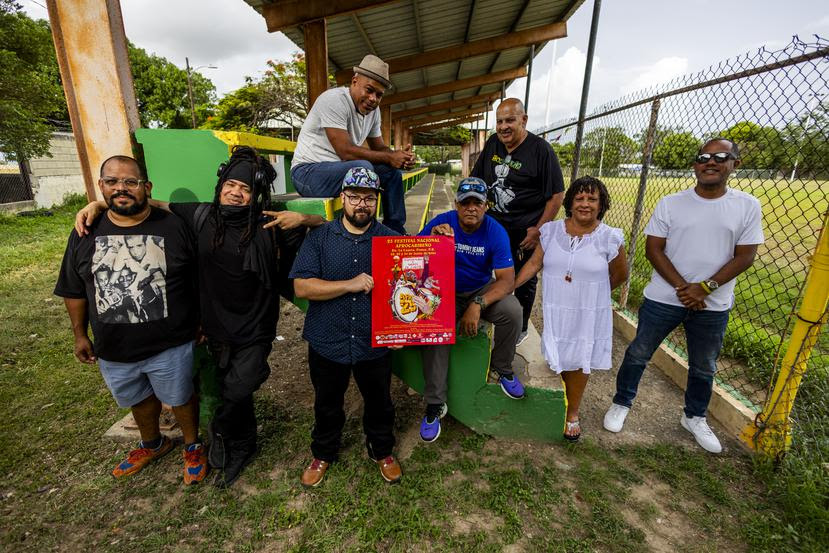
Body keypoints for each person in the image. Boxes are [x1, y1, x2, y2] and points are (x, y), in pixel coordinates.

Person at [75, 146, 324, 488]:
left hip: (256, 326)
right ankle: (243, 443)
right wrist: (100, 203)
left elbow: (326, 225)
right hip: (216, 325)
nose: (236, 193)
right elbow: (153, 203)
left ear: (256, 195)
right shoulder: (201, 216)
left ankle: (221, 431)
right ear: (220, 185)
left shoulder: (271, 222)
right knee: (230, 388)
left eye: (246, 189)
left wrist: (306, 219)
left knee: (238, 389)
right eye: (231, 186)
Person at [603, 138, 764, 454]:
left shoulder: (747, 205)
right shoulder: (671, 203)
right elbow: (654, 249)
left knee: (704, 365)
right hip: (664, 298)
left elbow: (745, 256)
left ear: (734, 164)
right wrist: (685, 288)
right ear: (695, 165)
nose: (711, 162)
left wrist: (705, 288)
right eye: (704, 157)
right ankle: (621, 403)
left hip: (713, 303)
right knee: (638, 353)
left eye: (720, 157)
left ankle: (694, 416)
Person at [55, 155, 206, 484]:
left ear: (146, 188)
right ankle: (152, 443)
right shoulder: (85, 231)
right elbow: (74, 288)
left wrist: (201, 320)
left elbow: (198, 278)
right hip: (114, 346)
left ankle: (193, 445)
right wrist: (80, 335)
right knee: (137, 398)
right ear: (101, 187)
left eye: (130, 182)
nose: (121, 188)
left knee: (180, 395)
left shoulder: (173, 226)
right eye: (112, 182)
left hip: (171, 340)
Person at [290, 166, 402, 487]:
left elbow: (410, 281)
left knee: (380, 400)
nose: (361, 204)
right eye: (354, 197)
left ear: (377, 201)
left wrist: (402, 329)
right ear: (342, 198)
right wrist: (349, 284)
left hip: (373, 340)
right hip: (328, 338)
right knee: (327, 401)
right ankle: (323, 452)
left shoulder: (390, 241)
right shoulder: (320, 238)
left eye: (369, 198)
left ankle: (382, 450)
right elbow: (302, 287)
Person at [514, 176, 628, 441]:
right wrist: (511, 287)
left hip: (588, 309)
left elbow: (620, 274)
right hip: (557, 306)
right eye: (580, 198)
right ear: (570, 202)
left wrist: (593, 295)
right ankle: (558, 401)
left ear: (601, 205)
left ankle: (572, 413)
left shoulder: (609, 237)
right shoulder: (552, 231)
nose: (585, 204)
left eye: (592, 199)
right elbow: (533, 264)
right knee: (558, 353)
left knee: (579, 358)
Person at [418, 177, 524, 443]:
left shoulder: (495, 231)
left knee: (512, 310)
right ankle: (435, 404)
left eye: (477, 202)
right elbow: (412, 252)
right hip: (445, 290)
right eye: (465, 202)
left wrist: (478, 304)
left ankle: (502, 368)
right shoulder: (443, 221)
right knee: (435, 325)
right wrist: (430, 238)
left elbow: (507, 280)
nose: (471, 208)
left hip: (478, 289)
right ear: (457, 205)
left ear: (486, 206)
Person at [471, 98, 565, 346]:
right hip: (492, 226)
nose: (503, 126)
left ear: (523, 120)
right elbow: (477, 180)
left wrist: (539, 229)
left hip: (524, 231)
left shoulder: (541, 150)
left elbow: (556, 195)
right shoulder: (493, 143)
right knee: (483, 268)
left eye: (510, 120)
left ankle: (520, 325)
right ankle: (482, 310)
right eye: (499, 121)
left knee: (524, 279)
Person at [290, 54, 414, 235]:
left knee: (391, 173)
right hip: (307, 174)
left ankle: (394, 232)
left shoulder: (373, 111)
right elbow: (345, 151)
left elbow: (379, 148)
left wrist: (399, 157)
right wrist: (389, 156)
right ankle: (360, 232)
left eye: (379, 95)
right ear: (354, 81)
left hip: (340, 170)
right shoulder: (334, 100)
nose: (373, 98)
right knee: (362, 168)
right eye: (369, 90)